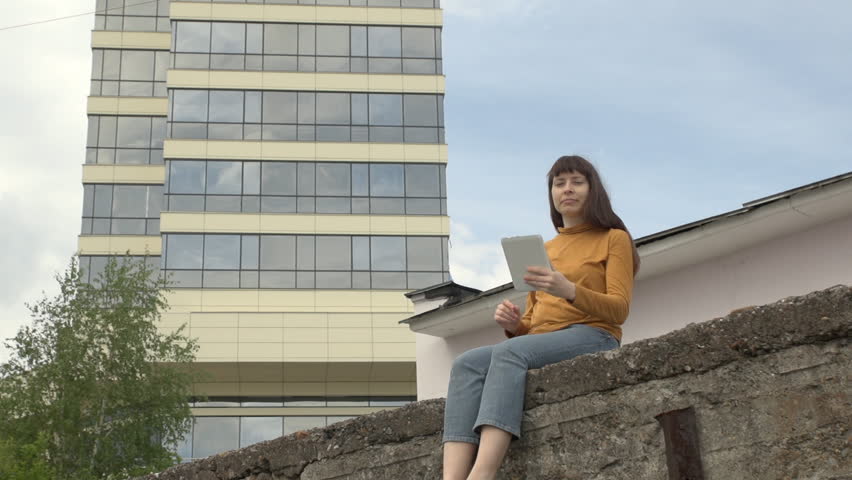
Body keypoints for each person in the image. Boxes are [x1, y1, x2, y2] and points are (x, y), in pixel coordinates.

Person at [441, 155, 640, 480]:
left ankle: (482, 474)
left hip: (595, 334)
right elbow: (534, 327)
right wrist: (514, 325)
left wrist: (570, 289)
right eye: (559, 183)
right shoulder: (544, 249)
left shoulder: (613, 238)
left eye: (577, 181)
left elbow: (620, 309)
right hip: (544, 342)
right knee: (467, 363)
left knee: (508, 353)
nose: (567, 189)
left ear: (593, 190)